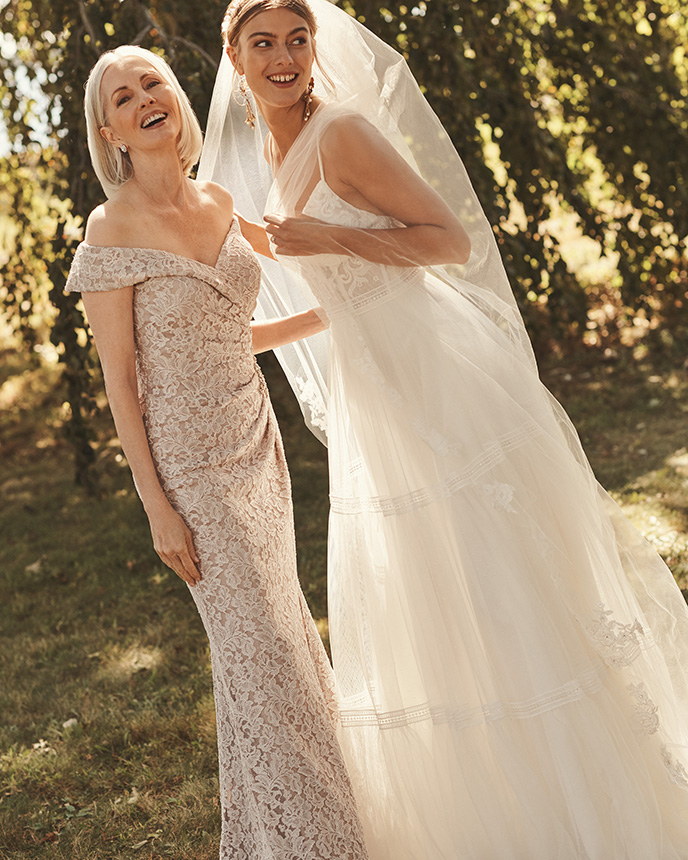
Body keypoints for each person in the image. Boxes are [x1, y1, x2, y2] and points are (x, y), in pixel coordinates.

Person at [199, 1, 688, 857]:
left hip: (439, 389)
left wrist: (322, 238)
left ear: (317, 46)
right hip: (377, 399)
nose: (285, 58)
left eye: (298, 39)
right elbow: (337, 289)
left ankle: (580, 808)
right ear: (234, 59)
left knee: (500, 592)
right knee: (432, 599)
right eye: (264, 44)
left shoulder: (342, 131)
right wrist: (248, 336)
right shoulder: (275, 151)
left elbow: (447, 241)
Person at [65, 44, 370, 860]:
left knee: (284, 647)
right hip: (190, 473)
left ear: (176, 97)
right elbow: (123, 385)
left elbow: (229, 333)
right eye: (123, 98)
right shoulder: (109, 228)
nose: (144, 100)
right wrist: (157, 507)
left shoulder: (222, 202)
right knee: (261, 651)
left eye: (152, 82)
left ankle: (275, 839)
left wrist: (330, 318)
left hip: (255, 445)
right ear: (112, 132)